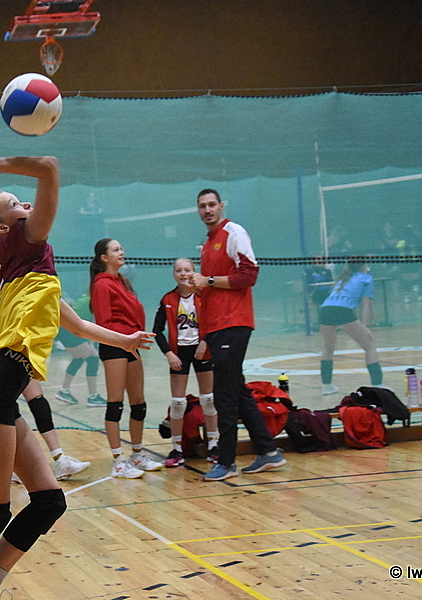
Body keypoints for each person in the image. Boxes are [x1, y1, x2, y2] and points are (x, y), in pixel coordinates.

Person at [0, 145, 152, 600]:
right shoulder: (21, 242)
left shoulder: (31, 269)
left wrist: (125, 340)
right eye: (14, 203)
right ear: (4, 227)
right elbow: (49, 167)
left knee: (49, 501)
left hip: (2, 386)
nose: (26, 204)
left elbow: (78, 325)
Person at [190, 189, 286, 482]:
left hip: (234, 323)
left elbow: (249, 275)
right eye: (202, 206)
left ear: (221, 206)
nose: (207, 210)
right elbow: (211, 290)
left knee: (225, 395)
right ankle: (269, 452)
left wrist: (207, 280)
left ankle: (227, 462)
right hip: (217, 327)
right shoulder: (207, 243)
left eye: (212, 205)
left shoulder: (234, 233)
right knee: (238, 391)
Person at [0, 277, 91, 482]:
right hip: (0, 355)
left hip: (23, 354)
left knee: (38, 402)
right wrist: (10, 332)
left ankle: (60, 459)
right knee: (3, 412)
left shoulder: (22, 283)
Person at [90, 238, 164, 479]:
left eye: (121, 248)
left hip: (131, 344)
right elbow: (103, 323)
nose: (121, 252)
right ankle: (118, 461)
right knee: (115, 403)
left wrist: (135, 337)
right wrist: (125, 338)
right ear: (104, 258)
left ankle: (137, 454)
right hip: (114, 346)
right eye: (116, 250)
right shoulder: (102, 284)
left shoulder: (122, 282)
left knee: (138, 403)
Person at [152, 258, 218, 468]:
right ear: (174, 274)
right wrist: (169, 354)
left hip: (202, 350)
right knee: (178, 403)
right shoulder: (168, 299)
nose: (183, 273)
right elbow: (157, 330)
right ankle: (177, 449)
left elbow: (215, 322)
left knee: (208, 399)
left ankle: (214, 445)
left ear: (194, 272)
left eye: (187, 270)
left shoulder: (204, 295)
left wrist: (205, 342)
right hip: (179, 353)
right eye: (179, 270)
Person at [318, 258, 384, 394]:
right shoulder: (366, 278)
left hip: (325, 310)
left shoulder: (343, 278)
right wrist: (365, 326)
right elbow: (365, 304)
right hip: (342, 310)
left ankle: (327, 386)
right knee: (369, 345)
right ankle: (378, 385)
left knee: (328, 348)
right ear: (363, 266)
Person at [54, 293, 105, 406]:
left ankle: (64, 391)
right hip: (69, 330)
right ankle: (93, 397)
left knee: (79, 358)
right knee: (92, 359)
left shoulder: (86, 297)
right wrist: (91, 344)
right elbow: (93, 323)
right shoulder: (96, 301)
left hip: (64, 328)